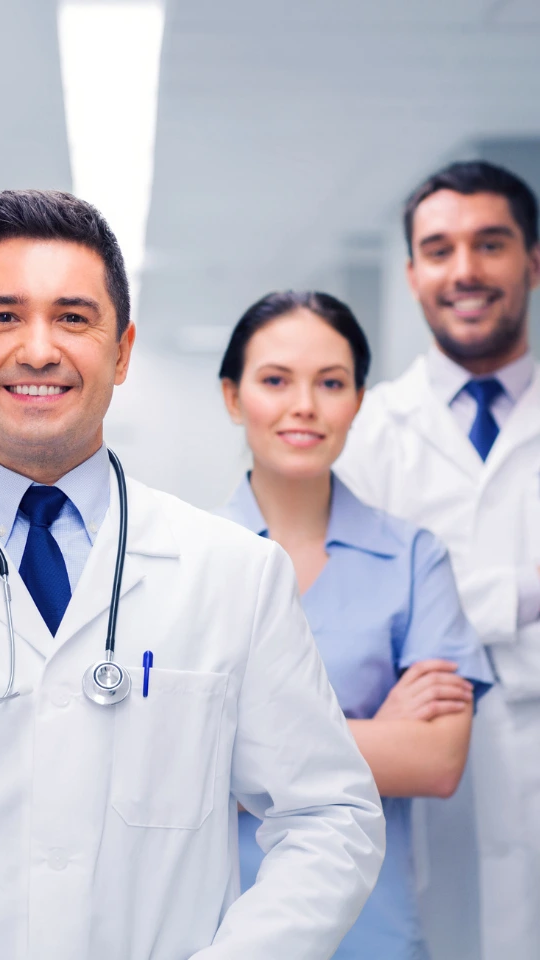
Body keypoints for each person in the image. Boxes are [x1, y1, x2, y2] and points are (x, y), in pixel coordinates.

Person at [0, 189, 384, 960]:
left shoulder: (235, 575)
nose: (38, 349)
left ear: (122, 352)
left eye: (74, 318)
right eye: (3, 316)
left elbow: (330, 818)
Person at [217, 290, 493, 960]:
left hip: (374, 930)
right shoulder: (189, 562)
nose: (304, 405)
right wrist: (380, 733)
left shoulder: (414, 559)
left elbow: (436, 761)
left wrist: (239, 756)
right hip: (224, 929)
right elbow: (167, 764)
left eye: (331, 383)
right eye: (275, 380)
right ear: (232, 397)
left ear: (359, 402)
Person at [334, 161, 540, 960]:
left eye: (490, 244)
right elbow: (359, 621)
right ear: (412, 272)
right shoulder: (366, 435)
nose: (465, 271)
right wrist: (525, 595)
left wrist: (440, 615)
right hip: (421, 783)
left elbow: (412, 617)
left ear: (532, 260)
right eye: (439, 249)